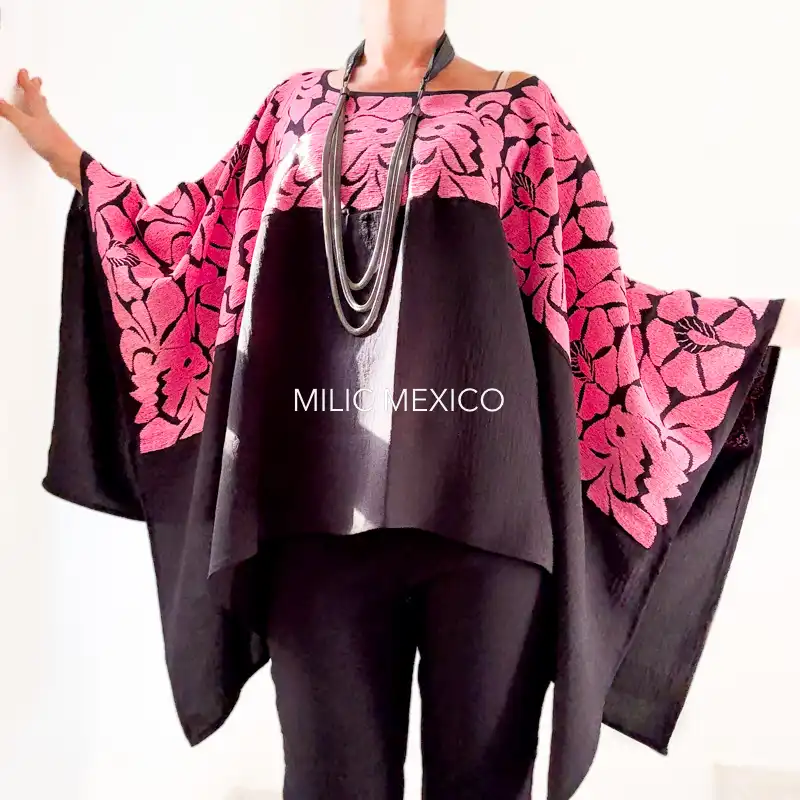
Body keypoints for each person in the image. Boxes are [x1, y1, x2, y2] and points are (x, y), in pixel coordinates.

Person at [1, 1, 796, 798]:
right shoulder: (293, 108)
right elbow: (198, 250)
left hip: (489, 526)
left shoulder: (523, 111)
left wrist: (754, 327)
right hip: (316, 523)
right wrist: (70, 158)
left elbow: (594, 301)